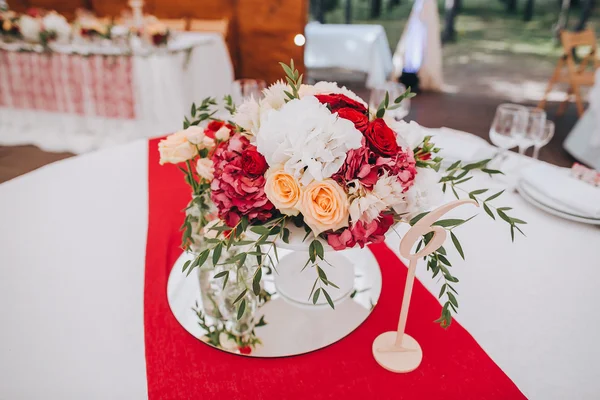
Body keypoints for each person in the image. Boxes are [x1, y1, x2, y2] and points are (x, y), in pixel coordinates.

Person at [392, 0, 443, 92]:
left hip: (423, 23)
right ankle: (410, 77)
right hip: (417, 24)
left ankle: (418, 78)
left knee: (422, 50)